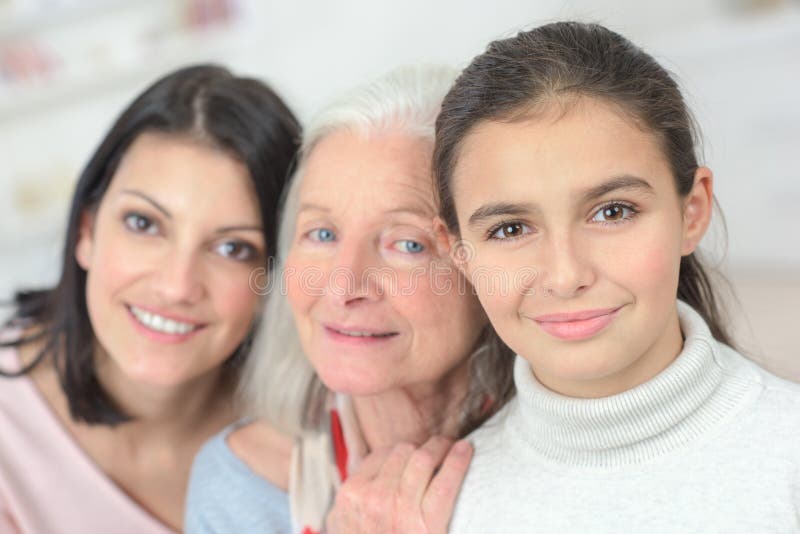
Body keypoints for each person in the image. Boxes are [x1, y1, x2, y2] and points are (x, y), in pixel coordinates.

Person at [426, 21, 800, 532]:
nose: (565, 275)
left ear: (691, 211)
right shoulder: (438, 506)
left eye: (613, 212)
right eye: (511, 228)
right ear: (459, 253)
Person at [184, 65, 515, 534]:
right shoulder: (242, 485)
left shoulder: (570, 452)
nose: (343, 286)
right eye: (321, 233)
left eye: (408, 244)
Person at [0, 64, 300, 532]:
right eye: (144, 223)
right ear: (86, 232)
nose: (176, 286)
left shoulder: (308, 432)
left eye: (232, 248)